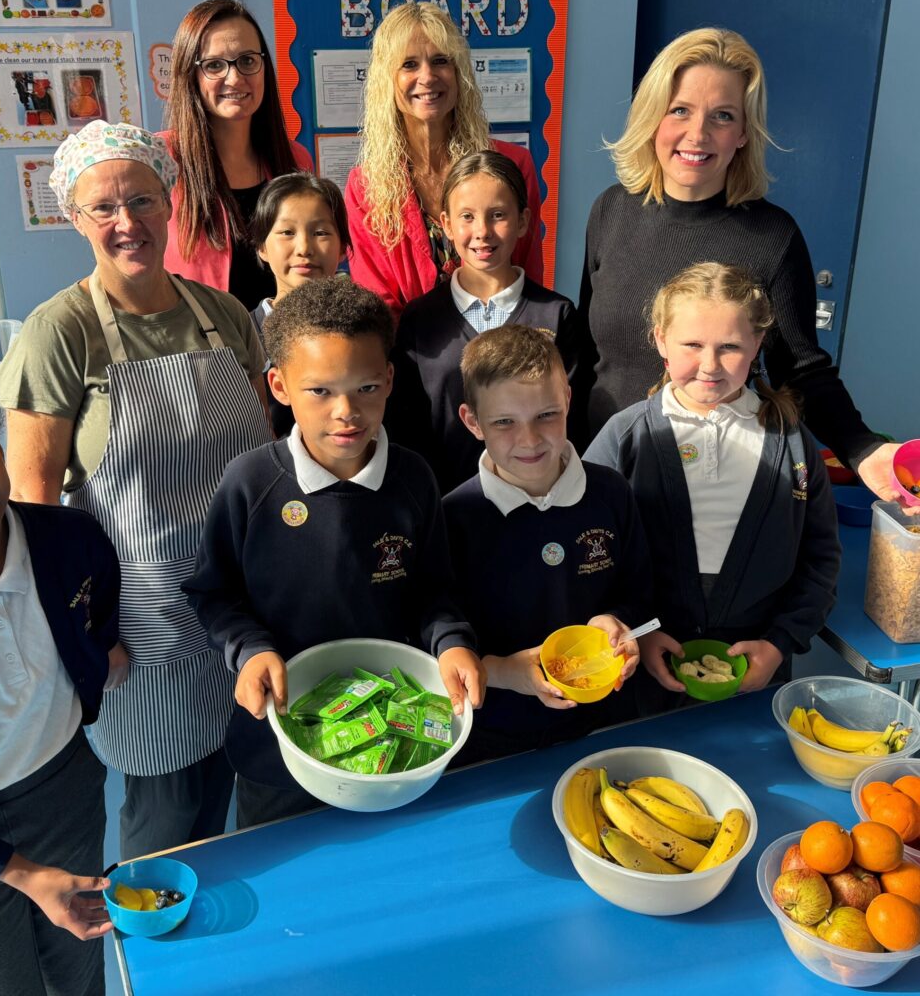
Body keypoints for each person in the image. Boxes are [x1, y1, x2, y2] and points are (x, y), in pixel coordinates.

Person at [0, 120, 272, 860]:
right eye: (105, 208)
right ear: (75, 218)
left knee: (248, 791)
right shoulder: (60, 333)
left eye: (143, 201)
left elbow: (266, 462)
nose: (128, 223)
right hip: (142, 628)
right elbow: (32, 509)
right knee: (167, 819)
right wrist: (86, 633)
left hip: (245, 607)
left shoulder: (224, 316)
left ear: (170, 201)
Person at [184, 277, 486, 827]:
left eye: (366, 388)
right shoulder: (250, 483)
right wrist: (249, 650)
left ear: (390, 379)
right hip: (277, 748)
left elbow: (435, 591)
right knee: (282, 873)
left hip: (390, 742)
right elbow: (213, 592)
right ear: (278, 386)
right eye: (319, 391)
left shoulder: (415, 478)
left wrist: (450, 643)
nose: (346, 411)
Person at [578, 27, 907, 508]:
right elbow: (586, 356)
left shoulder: (774, 237)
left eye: (722, 116)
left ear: (742, 134)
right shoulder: (610, 211)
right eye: (681, 110)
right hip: (605, 473)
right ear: (653, 119)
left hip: (711, 487)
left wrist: (863, 449)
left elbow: (801, 371)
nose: (698, 134)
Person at [0, 370, 120, 996]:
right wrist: (16, 871)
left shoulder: (69, 539)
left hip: (66, 792)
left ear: (2, 444)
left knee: (80, 970)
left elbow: (100, 609)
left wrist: (91, 662)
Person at [585, 263, 841, 704]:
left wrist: (779, 643)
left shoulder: (791, 441)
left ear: (758, 343)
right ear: (660, 340)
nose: (710, 365)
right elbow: (589, 550)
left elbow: (820, 557)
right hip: (643, 670)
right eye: (692, 345)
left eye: (729, 347)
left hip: (757, 668)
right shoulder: (625, 437)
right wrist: (636, 632)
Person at [442, 326, 649, 763]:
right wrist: (501, 671)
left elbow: (641, 588)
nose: (530, 439)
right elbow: (441, 627)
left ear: (568, 401)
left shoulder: (611, 492)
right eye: (504, 422)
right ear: (472, 422)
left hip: (604, 725)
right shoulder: (453, 517)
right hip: (492, 738)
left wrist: (618, 621)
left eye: (546, 415)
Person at [388, 150, 579, 494]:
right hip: (444, 506)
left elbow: (574, 420)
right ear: (446, 223)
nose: (482, 231)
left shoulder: (556, 313)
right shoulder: (421, 319)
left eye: (497, 215)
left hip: (538, 502)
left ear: (522, 221)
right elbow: (406, 426)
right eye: (467, 216)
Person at [345, 1, 543, 320]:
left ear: (459, 73)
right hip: (412, 357)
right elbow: (377, 303)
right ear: (387, 80)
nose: (427, 76)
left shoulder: (513, 164)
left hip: (501, 356)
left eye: (440, 61)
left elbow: (528, 280)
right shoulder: (366, 186)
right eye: (409, 64)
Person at [161, 0, 314, 309]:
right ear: (190, 74)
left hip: (284, 347)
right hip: (199, 351)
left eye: (247, 60)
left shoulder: (296, 159)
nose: (234, 78)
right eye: (214, 65)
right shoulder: (161, 160)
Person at [249, 172, 352, 436]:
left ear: (343, 248)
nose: (304, 248)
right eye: (286, 232)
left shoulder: (360, 329)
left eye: (320, 232)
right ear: (261, 246)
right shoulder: (243, 334)